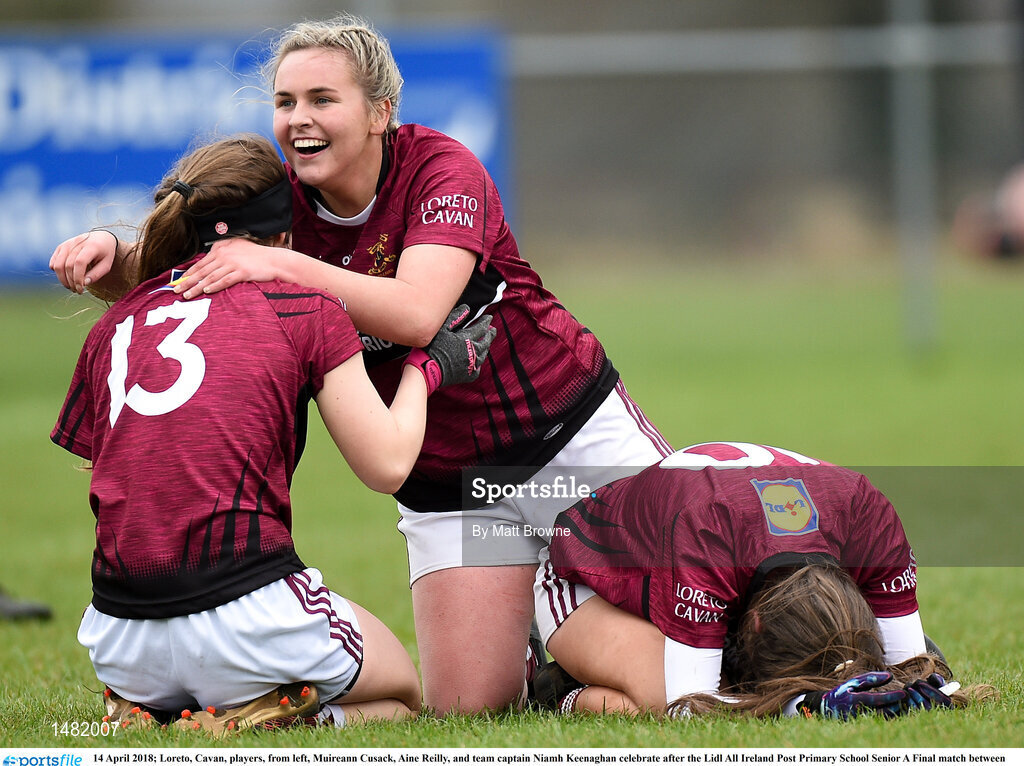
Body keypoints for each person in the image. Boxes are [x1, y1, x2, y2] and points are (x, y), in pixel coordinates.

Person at [48, 14, 673, 714]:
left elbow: (416, 315)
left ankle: (576, 619)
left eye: (322, 99)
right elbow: (197, 269)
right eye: (285, 102)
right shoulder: (280, 205)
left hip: (567, 440)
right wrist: (113, 252)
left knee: (698, 637)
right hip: (450, 483)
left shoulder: (441, 168)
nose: (299, 119)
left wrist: (282, 265)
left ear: (380, 112)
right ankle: (546, 671)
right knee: (466, 707)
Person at [50, 134, 494, 734]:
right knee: (400, 694)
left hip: (119, 636)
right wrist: (429, 368)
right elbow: (387, 464)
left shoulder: (116, 322)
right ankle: (247, 722)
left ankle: (154, 707)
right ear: (283, 238)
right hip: (247, 618)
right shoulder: (305, 307)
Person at [531, 441, 995, 718]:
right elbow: (691, 707)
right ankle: (562, 691)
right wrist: (798, 706)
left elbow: (914, 667)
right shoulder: (708, 536)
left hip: (713, 570)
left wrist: (902, 680)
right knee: (675, 700)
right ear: (751, 626)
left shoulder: (865, 511)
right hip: (585, 581)